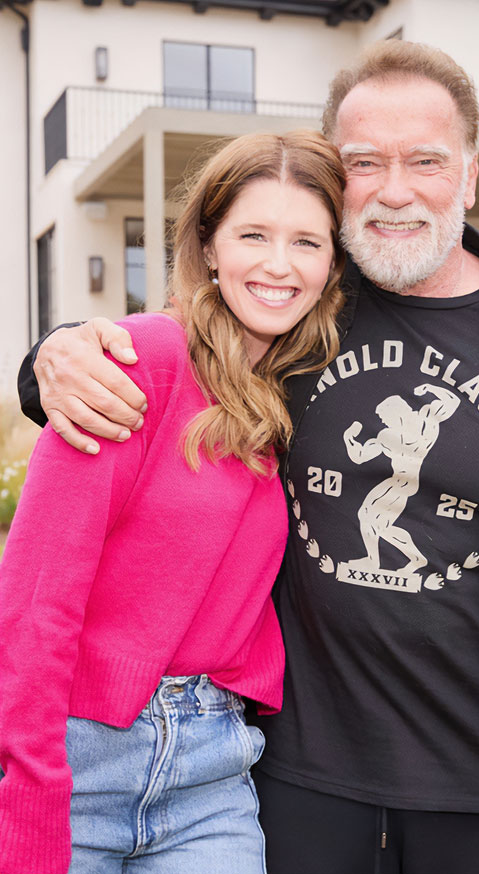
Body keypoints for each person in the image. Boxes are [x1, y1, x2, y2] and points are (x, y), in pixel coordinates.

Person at [17, 41, 479, 874]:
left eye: (426, 161)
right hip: (295, 779)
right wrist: (52, 359)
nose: (396, 190)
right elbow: (173, 355)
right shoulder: (300, 314)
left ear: (469, 175)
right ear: (339, 179)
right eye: (365, 161)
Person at [1, 129, 346, 874]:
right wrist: (30, 795)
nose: (279, 265)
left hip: (212, 777)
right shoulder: (136, 362)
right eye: (253, 234)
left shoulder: (299, 395)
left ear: (332, 264)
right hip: (78, 759)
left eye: (307, 242)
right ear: (210, 248)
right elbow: (36, 601)